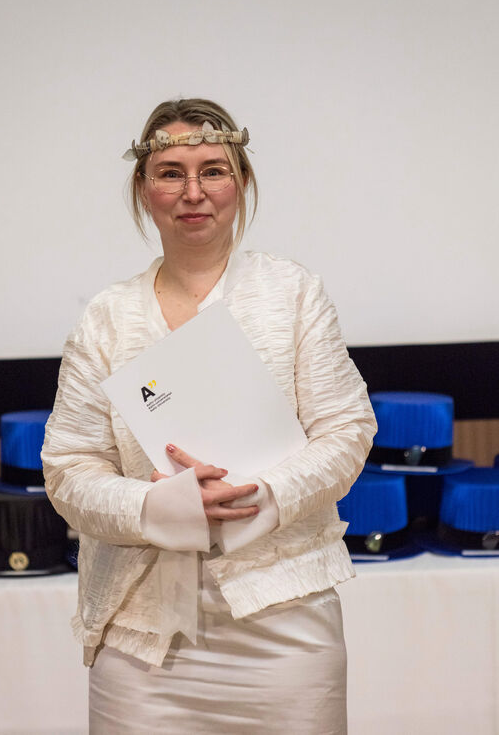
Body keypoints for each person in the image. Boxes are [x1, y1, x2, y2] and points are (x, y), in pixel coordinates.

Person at [41, 97, 377, 734]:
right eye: (170, 172)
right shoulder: (106, 319)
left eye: (213, 170)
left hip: (286, 626)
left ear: (242, 181)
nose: (193, 192)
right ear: (144, 189)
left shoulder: (293, 293)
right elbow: (68, 469)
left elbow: (346, 431)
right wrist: (158, 507)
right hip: (142, 640)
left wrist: (260, 495)